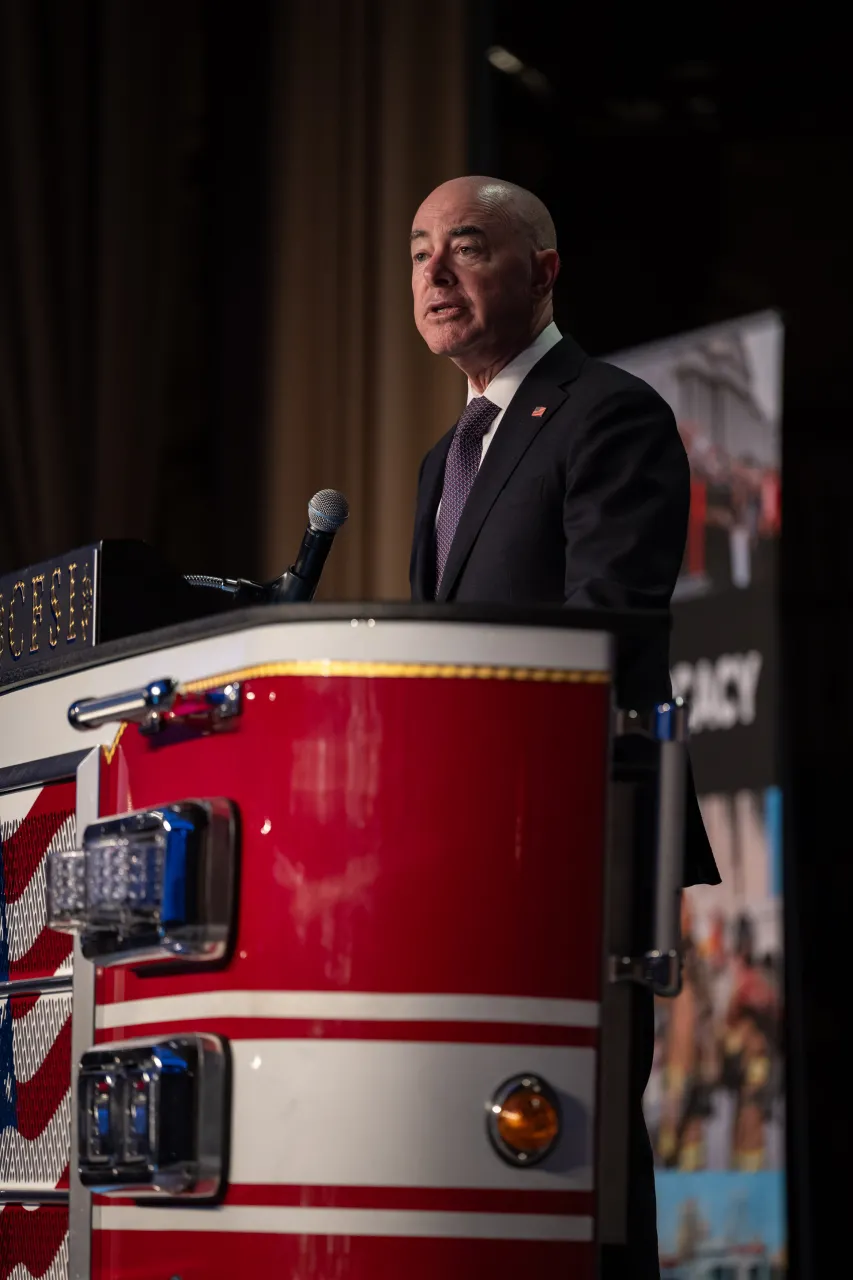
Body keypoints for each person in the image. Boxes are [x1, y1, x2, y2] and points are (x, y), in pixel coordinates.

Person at [408, 175, 720, 1279]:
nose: (435, 274)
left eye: (468, 247)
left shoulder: (607, 409)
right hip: (475, 841)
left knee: (581, 1157)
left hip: (583, 830)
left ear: (542, 271)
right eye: (419, 253)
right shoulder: (440, 462)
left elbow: (611, 616)